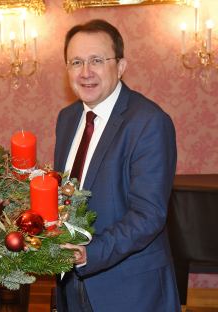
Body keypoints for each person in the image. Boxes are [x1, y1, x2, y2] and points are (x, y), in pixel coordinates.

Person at [54, 19, 180, 311]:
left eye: (97, 60)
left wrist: (89, 253)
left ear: (121, 66)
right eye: (76, 62)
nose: (85, 73)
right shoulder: (67, 118)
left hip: (131, 290)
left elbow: (149, 215)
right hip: (71, 286)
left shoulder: (149, 122)